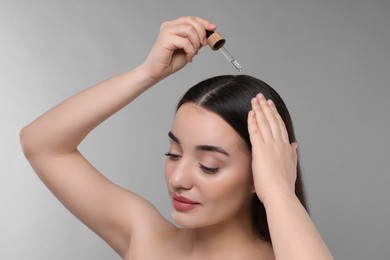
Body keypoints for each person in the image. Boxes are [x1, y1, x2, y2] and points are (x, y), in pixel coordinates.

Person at [20, 16, 333, 259]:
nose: (178, 178)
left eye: (209, 165)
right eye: (173, 154)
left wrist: (279, 190)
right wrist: (147, 73)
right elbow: (43, 144)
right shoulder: (145, 238)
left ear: (260, 173)